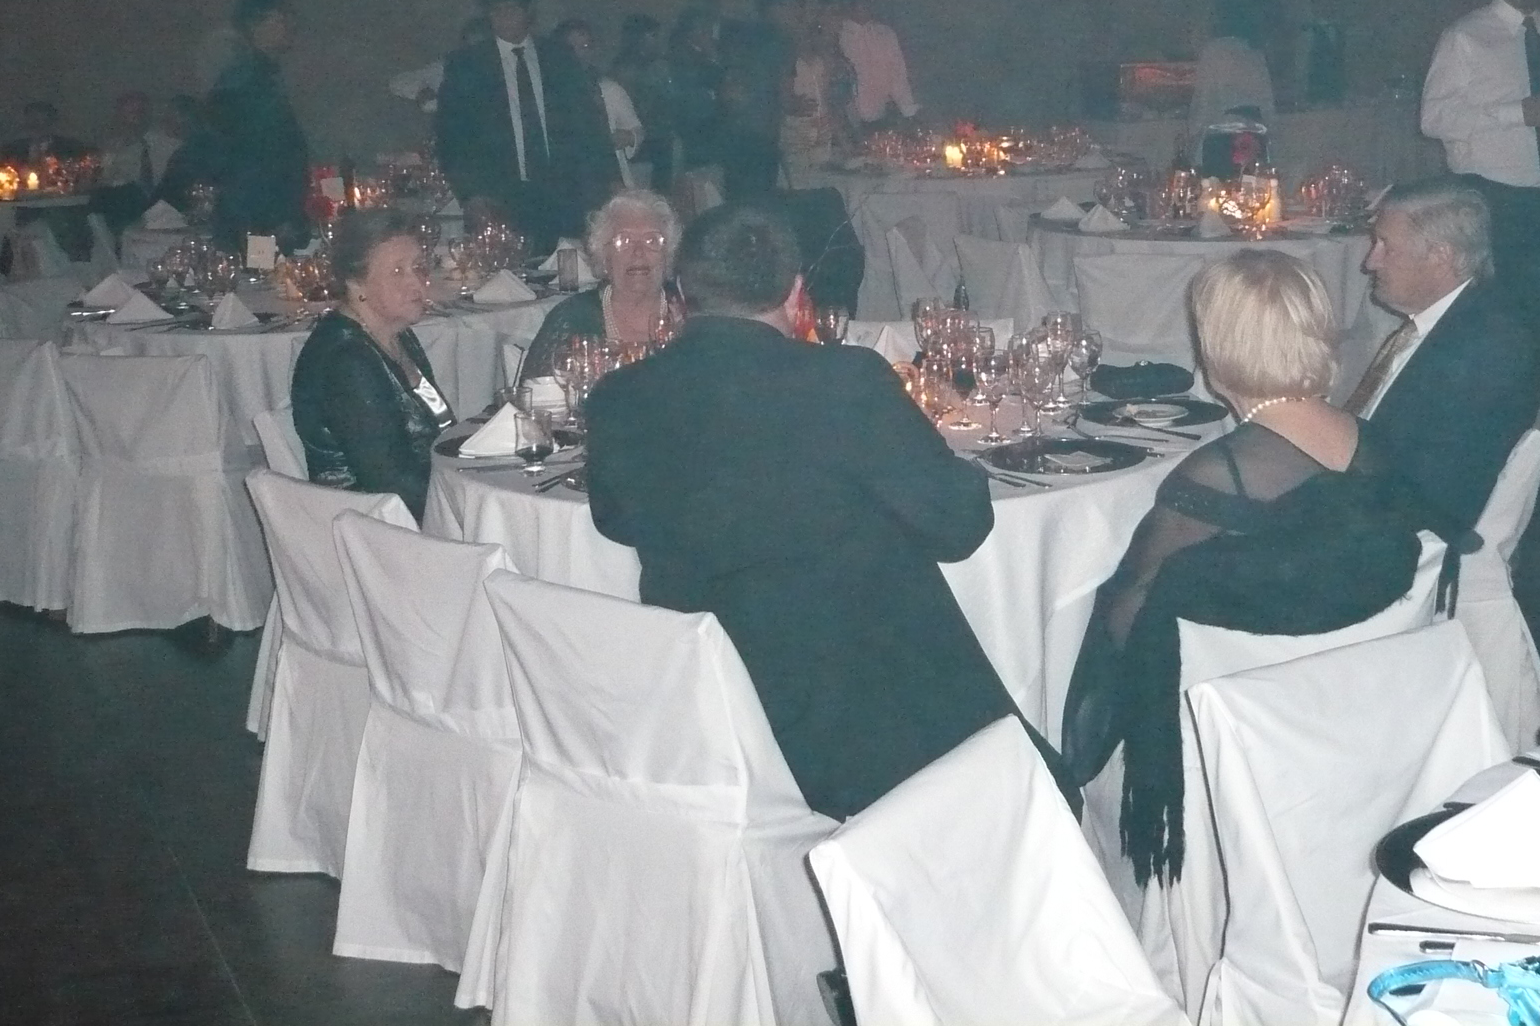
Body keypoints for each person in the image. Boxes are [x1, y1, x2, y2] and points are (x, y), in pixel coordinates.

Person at [584, 202, 1064, 820]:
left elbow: (615, 519)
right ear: (796, 294)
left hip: (708, 715)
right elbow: (960, 527)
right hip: (868, 727)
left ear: (679, 296)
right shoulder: (846, 381)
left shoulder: (618, 397)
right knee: (1049, 798)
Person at [1060, 250, 1420, 884]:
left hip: (1229, 728)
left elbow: (1127, 615)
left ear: (1217, 347)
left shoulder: (1216, 476)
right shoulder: (1377, 444)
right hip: (1357, 706)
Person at [1347, 176, 1540, 553]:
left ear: (1440, 255)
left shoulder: (1484, 348)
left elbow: (1438, 490)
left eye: (1386, 246)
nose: (1370, 262)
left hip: (1402, 542)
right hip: (1379, 509)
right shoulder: (1446, 324)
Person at [1420, 0, 1540, 333]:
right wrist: (1517, 113)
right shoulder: (1466, 37)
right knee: (1500, 324)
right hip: (1495, 201)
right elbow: (1434, 118)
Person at [291, 208, 456, 521]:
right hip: (373, 528)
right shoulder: (347, 362)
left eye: (418, 267)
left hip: (422, 504)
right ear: (357, 284)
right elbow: (390, 483)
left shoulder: (398, 335)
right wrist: (466, 506)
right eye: (397, 271)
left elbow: (442, 432)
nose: (417, 282)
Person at [435, 0, 612, 254]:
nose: (504, 18)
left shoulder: (558, 57)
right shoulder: (468, 65)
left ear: (529, 11)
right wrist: (472, 195)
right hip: (500, 197)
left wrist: (606, 182)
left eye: (511, 9)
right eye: (496, 11)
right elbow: (452, 138)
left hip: (565, 193)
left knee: (568, 267)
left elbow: (589, 124)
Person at [517, 190, 683, 387]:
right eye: (624, 241)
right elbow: (535, 397)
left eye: (652, 240)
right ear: (604, 258)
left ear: (668, 254)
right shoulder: (571, 319)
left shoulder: (692, 314)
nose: (638, 252)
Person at [206, 0, 310, 252]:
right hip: (257, 223)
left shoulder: (262, 77)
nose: (293, 23)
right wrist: (277, 219)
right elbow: (251, 160)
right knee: (259, 275)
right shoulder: (243, 83)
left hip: (264, 219)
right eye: (283, 15)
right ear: (255, 23)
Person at [715, 0, 801, 198]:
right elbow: (785, 98)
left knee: (737, 201)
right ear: (773, 8)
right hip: (762, 136)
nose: (797, 12)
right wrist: (799, 105)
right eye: (791, 5)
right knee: (762, 202)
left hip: (734, 135)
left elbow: (728, 89)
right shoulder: (782, 43)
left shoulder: (739, 37)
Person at [554, 19, 646, 190]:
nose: (578, 54)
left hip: (607, 179)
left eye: (585, 47)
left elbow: (636, 129)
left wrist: (628, 137)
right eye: (571, 48)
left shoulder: (609, 89)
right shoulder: (550, 93)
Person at [1187, 0, 1278, 145]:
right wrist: (1270, 130)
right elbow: (1266, 99)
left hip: (1223, 133)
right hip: (1255, 132)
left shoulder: (1215, 50)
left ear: (1220, 17)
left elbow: (1205, 98)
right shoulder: (1255, 50)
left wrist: (1194, 131)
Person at [780, 0, 852, 173]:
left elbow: (826, 100)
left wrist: (845, 142)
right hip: (795, 135)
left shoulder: (824, 53)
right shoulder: (784, 49)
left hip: (823, 133)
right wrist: (790, 105)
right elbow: (781, 97)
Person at [90, 91, 182, 234]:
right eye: (130, 113)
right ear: (118, 116)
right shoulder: (111, 150)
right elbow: (102, 183)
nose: (136, 118)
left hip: (168, 215)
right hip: (128, 216)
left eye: (140, 112)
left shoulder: (169, 144)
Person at [837, 0, 921, 129]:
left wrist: (909, 112)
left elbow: (898, 76)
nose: (871, 5)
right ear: (849, 3)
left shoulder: (885, 34)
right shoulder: (838, 35)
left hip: (882, 118)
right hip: (847, 122)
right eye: (865, 0)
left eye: (873, 0)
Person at [611, 13, 675, 190]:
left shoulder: (658, 65)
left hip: (659, 138)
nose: (658, 41)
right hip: (641, 145)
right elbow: (633, 111)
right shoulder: (625, 70)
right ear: (638, 38)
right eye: (653, 36)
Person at [663, 3, 723, 178]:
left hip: (701, 129)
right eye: (706, 29)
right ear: (694, 31)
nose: (711, 35)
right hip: (697, 129)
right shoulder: (685, 59)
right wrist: (713, 57)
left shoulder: (696, 56)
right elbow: (713, 85)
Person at [0, 101, 91, 166]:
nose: (36, 127)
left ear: (52, 123)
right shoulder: (12, 149)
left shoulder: (69, 148)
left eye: (41, 122)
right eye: (32, 122)